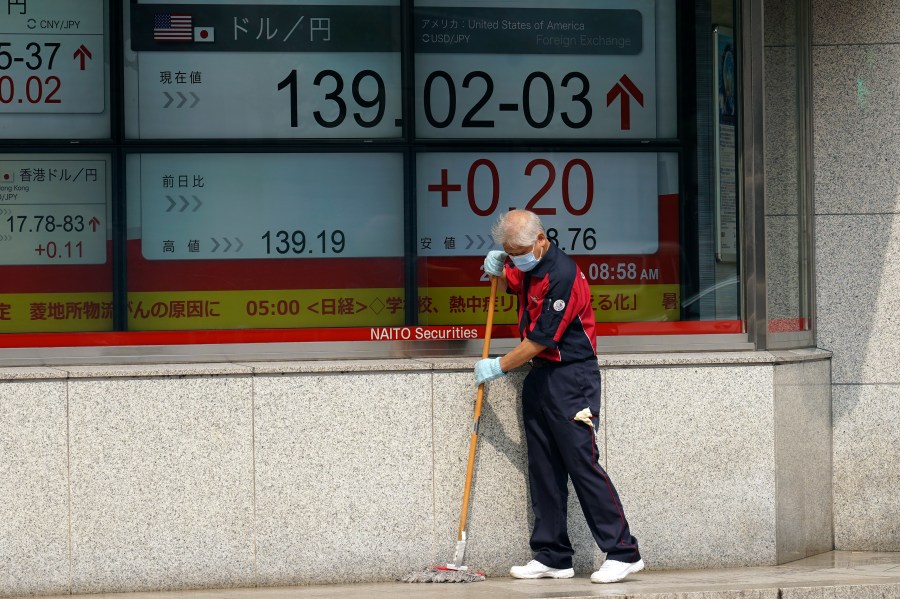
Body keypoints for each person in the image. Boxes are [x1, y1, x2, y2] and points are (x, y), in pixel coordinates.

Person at [474, 209, 644, 584]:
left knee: (582, 463)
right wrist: (499, 271)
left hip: (572, 378)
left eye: (519, 250)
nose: (517, 256)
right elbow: (512, 282)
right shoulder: (528, 265)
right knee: (544, 467)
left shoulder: (562, 274)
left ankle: (623, 552)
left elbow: (539, 340)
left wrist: (499, 366)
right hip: (540, 377)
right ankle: (552, 555)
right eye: (509, 250)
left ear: (541, 240)